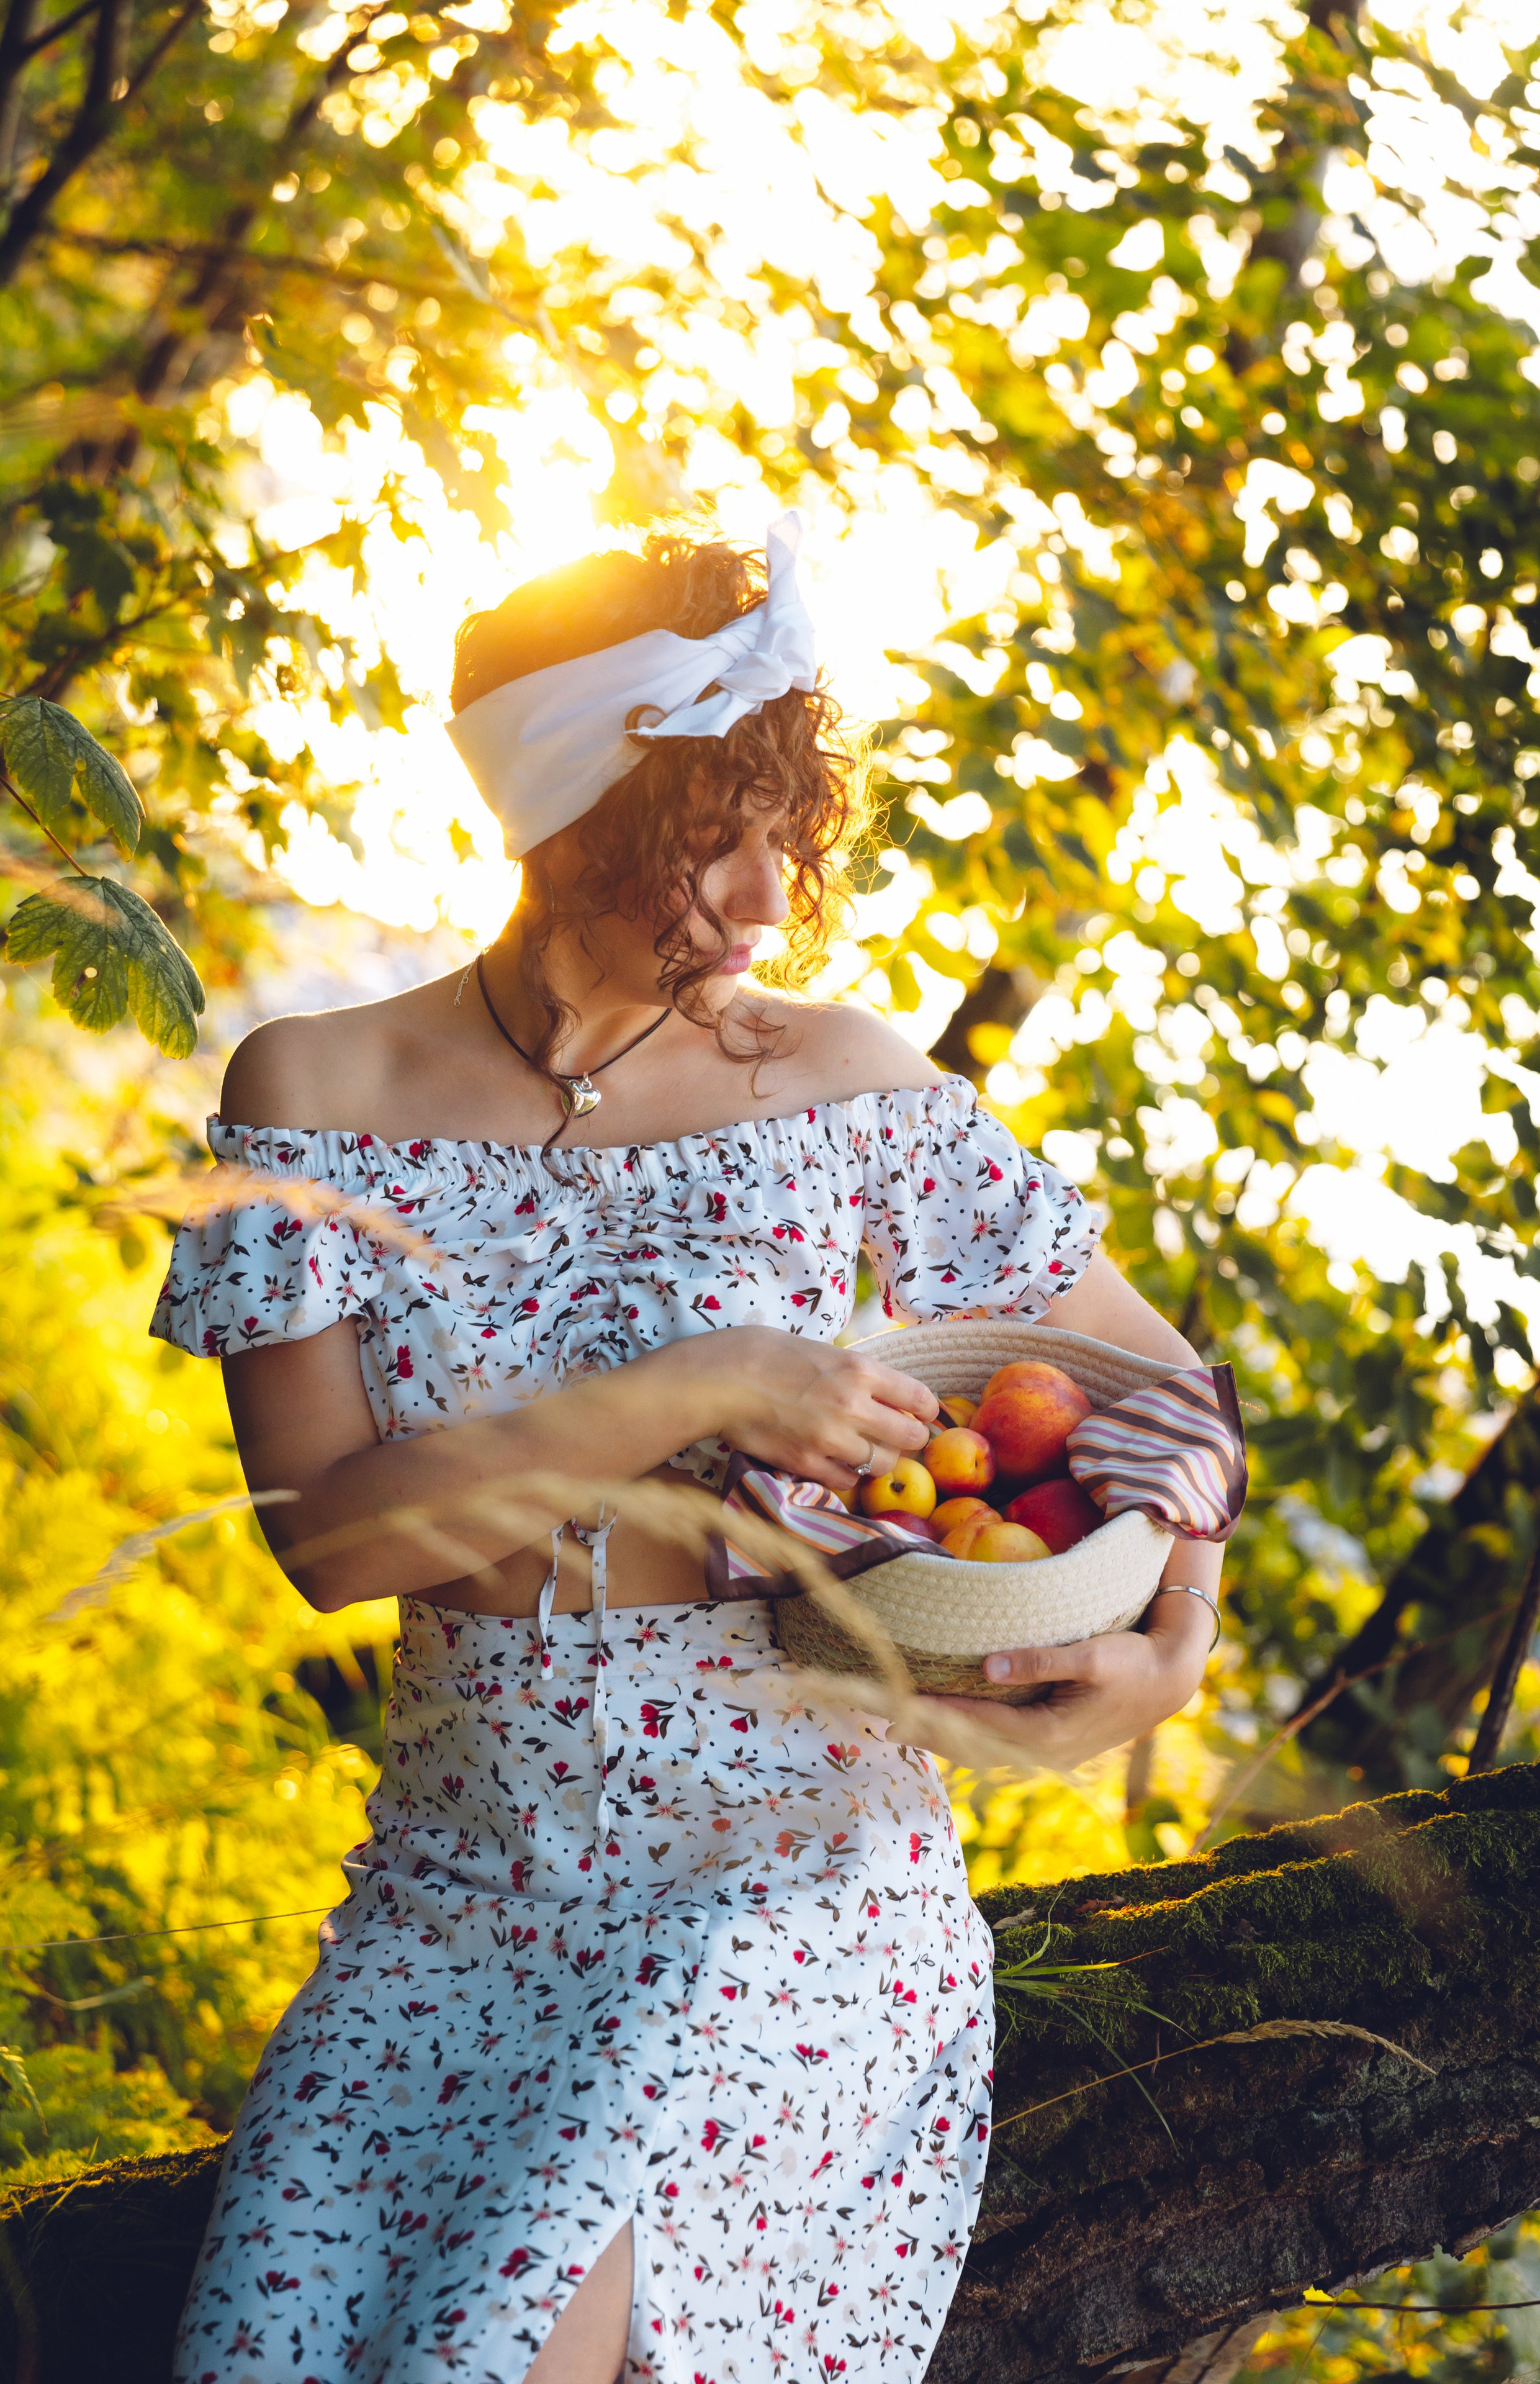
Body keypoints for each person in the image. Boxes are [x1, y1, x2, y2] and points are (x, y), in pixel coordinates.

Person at [152, 514, 1223, 2384]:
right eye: (700, 839)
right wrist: (698, 1384)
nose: (758, 896)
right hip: (454, 1903)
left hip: (790, 1893)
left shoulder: (839, 1077)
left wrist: (1169, 1647)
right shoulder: (311, 1097)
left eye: (783, 831)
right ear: (563, 818)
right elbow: (330, 1542)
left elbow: (1162, 1403)